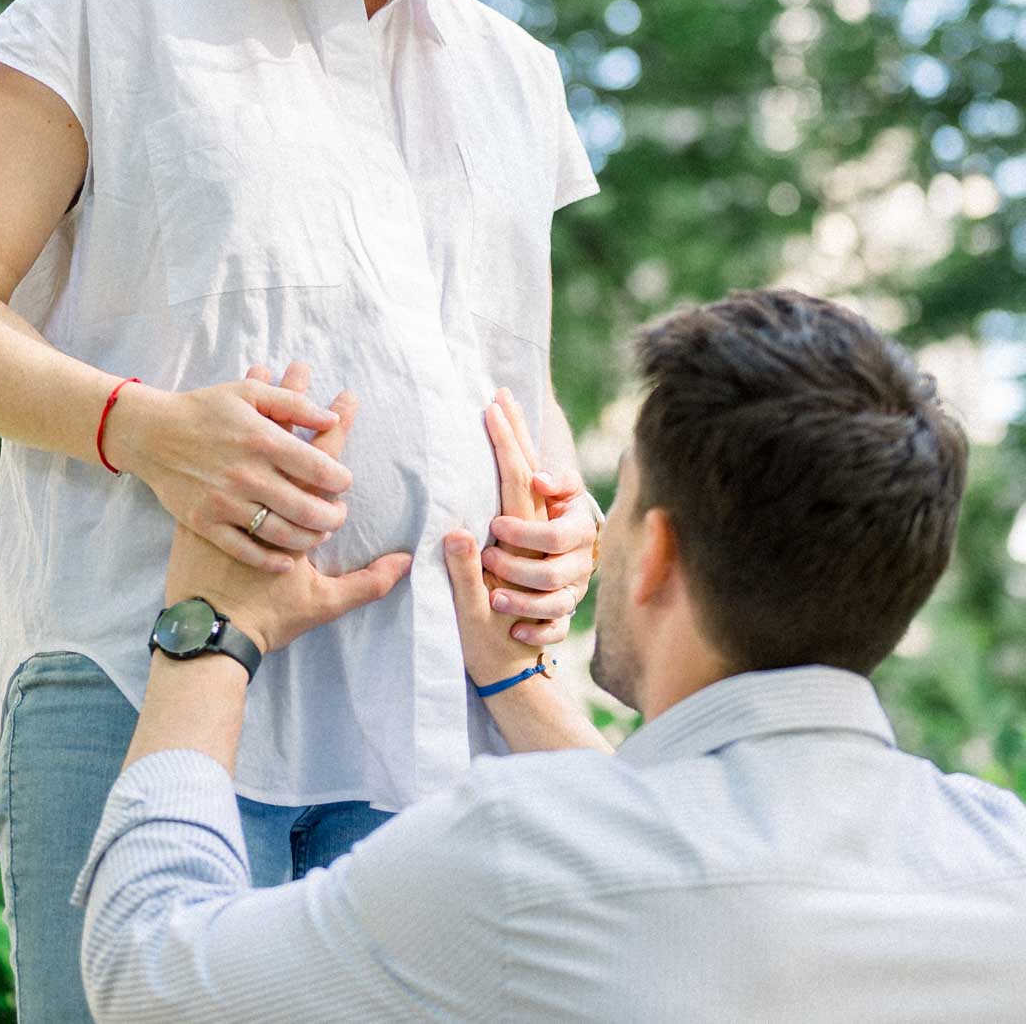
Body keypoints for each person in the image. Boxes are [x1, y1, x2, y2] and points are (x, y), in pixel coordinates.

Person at [0, 0, 607, 1021]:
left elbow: (511, 379)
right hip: (134, 676)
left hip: (436, 717)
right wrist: (141, 428)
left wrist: (563, 517)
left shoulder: (512, 77)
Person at [76, 289, 1026, 1023]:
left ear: (653, 554)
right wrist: (520, 689)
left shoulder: (518, 855)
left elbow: (151, 980)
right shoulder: (1001, 855)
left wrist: (207, 630)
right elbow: (717, 868)